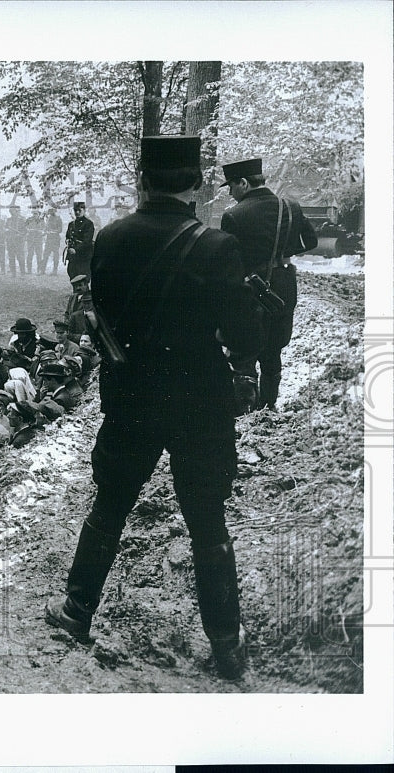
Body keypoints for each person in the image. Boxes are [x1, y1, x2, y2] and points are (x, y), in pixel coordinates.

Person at [44, 136, 263, 680]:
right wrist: (241, 364)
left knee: (111, 504)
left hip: (133, 392)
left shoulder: (111, 238)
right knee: (208, 522)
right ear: (195, 183)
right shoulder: (218, 247)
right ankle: (227, 648)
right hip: (200, 399)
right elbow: (240, 332)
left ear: (142, 179)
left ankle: (76, 611)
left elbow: (104, 312)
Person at [219, 157, 318, 412]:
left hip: (250, 289)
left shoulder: (233, 215)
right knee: (274, 350)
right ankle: (268, 405)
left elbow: (230, 259)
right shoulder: (290, 207)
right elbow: (311, 242)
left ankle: (245, 408)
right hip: (284, 286)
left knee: (243, 351)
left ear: (243, 183)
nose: (230, 193)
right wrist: (282, 253)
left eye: (231, 186)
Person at [64, 201, 95, 283]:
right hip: (72, 255)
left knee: (84, 275)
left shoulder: (88, 224)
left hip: (84, 255)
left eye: (79, 210)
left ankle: (85, 294)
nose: (77, 212)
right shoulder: (71, 224)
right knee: (72, 272)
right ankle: (75, 292)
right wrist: (67, 242)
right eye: (75, 210)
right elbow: (67, 236)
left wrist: (76, 249)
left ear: (84, 210)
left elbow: (87, 241)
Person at [5, 205, 26, 276]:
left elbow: (25, 231)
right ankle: (13, 273)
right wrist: (7, 231)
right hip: (10, 241)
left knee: (20, 258)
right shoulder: (8, 220)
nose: (11, 213)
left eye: (13, 211)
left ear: (16, 212)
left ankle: (22, 273)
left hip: (19, 242)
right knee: (11, 258)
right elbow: (5, 229)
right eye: (10, 211)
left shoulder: (21, 220)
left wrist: (20, 235)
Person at [44, 208, 64, 275]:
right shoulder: (48, 219)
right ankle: (42, 270)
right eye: (50, 211)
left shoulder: (58, 219)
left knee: (55, 255)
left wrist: (53, 232)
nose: (51, 212)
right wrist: (46, 231)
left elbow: (60, 229)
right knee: (45, 255)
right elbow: (46, 228)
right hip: (49, 239)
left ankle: (55, 271)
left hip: (55, 239)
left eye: (52, 211)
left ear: (55, 211)